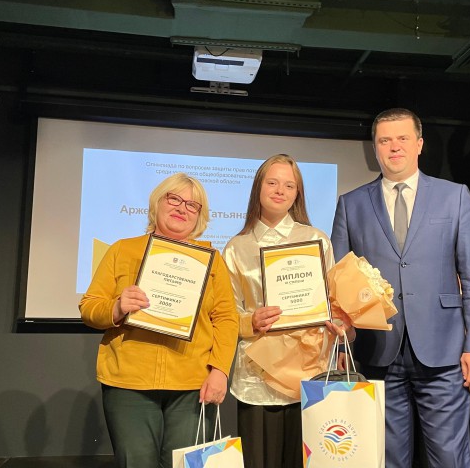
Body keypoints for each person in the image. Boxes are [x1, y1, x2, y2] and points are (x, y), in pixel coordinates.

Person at [331, 108, 470, 467]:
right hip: (377, 351)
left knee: (449, 457)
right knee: (386, 458)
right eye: (385, 140)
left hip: (444, 350)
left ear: (419, 144)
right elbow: (339, 283)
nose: (394, 147)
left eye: (403, 138)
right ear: (375, 148)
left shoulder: (455, 197)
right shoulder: (351, 204)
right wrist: (342, 345)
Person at [79, 173, 239, 468]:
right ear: (157, 202)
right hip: (129, 382)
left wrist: (220, 371)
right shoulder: (122, 249)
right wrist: (117, 307)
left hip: (192, 384)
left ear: (200, 216)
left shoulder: (212, 259)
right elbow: (89, 307)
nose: (182, 208)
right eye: (174, 198)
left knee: (184, 465)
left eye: (192, 205)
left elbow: (227, 319)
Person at [222, 154, 352, 468]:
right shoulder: (236, 248)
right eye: (272, 182)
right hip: (257, 377)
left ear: (297, 194)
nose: (280, 190)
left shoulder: (317, 240)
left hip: (309, 371)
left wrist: (340, 324)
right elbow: (227, 315)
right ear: (258, 188)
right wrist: (250, 321)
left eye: (289, 185)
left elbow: (333, 303)